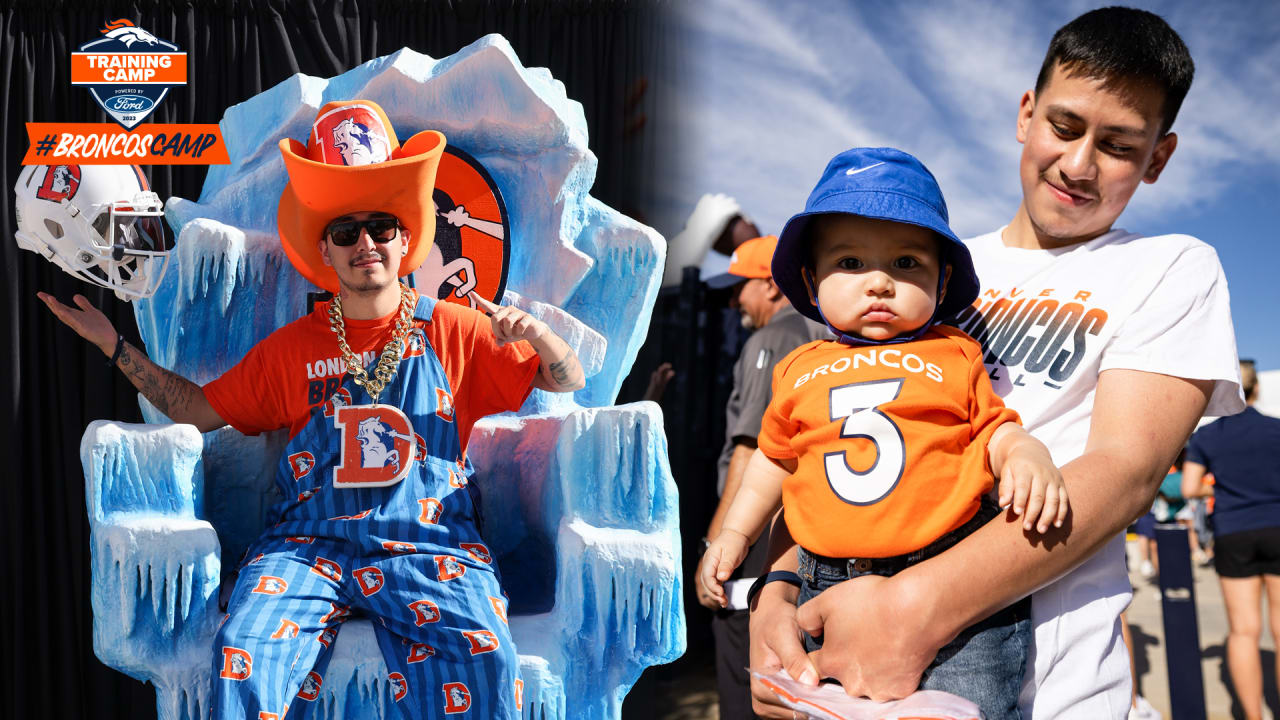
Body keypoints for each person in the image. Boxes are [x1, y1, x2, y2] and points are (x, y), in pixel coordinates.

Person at [747, 8, 1244, 719]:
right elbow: (822, 433)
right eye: (1065, 128)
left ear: (1159, 158)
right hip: (844, 673)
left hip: (1053, 695)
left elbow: (1125, 472)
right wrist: (779, 590)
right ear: (1026, 114)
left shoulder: (1169, 268)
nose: (1078, 164)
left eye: (1118, 145)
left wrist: (907, 611)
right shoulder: (920, 268)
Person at [38, 100, 585, 719]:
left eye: (381, 227)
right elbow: (194, 408)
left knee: (487, 658)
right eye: (345, 233)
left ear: (405, 238)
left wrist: (543, 339)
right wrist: (114, 348)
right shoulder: (292, 348)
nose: (366, 245)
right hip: (306, 548)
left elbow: (565, 379)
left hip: (430, 545)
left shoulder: (457, 329)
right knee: (242, 656)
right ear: (325, 250)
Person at [701, 148, 1067, 718]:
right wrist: (734, 534)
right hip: (826, 580)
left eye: (905, 264)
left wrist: (1024, 450)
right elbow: (774, 463)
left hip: (949, 569)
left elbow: (991, 428)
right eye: (849, 263)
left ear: (942, 281)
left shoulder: (954, 351)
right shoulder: (798, 366)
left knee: (966, 707)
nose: (878, 283)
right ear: (810, 278)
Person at [693, 234, 826, 719]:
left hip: (754, 548)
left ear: (771, 285)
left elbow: (752, 449)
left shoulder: (771, 340)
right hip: (802, 546)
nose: (734, 300)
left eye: (740, 287)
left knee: (743, 683)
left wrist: (718, 544)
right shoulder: (824, 338)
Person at [1183, 360, 1280, 720]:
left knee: (1243, 631)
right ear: (1256, 390)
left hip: (1234, 530)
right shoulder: (1276, 429)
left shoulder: (1207, 437)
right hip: (1277, 526)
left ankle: (1253, 716)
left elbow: (1191, 487)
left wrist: (1221, 484)